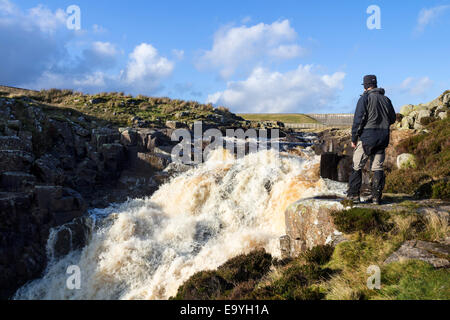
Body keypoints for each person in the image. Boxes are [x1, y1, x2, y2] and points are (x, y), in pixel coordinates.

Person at [347, 75, 396, 205]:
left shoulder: (365, 98)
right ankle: (376, 198)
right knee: (377, 168)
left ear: (365, 85)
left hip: (367, 138)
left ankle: (353, 196)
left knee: (357, 166)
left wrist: (354, 138)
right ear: (376, 84)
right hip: (383, 137)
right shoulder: (386, 99)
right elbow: (392, 119)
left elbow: (358, 120)